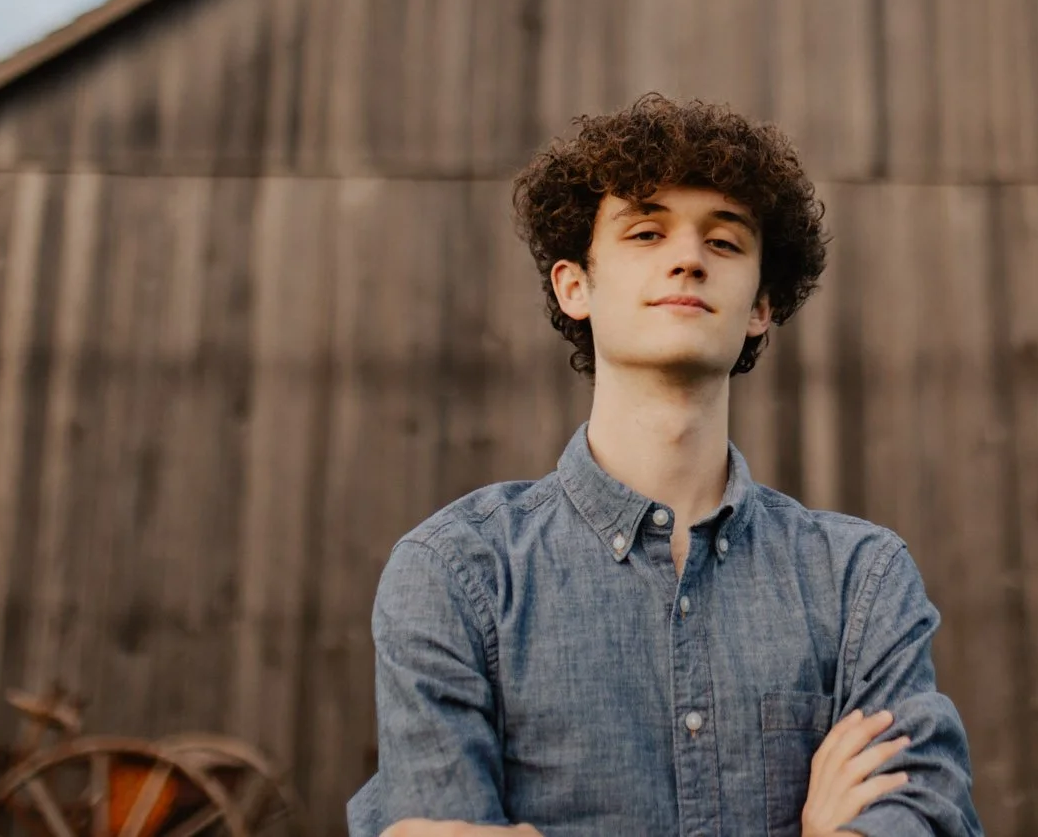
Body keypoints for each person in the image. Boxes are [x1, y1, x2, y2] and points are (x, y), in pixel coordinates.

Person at [347, 95, 982, 837]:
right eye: (646, 231)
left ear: (761, 307)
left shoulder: (860, 580)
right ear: (573, 285)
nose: (687, 257)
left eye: (725, 242)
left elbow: (924, 818)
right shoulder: (458, 574)